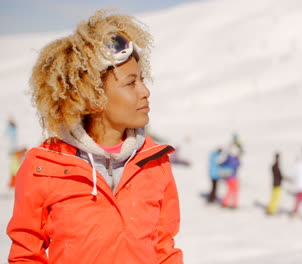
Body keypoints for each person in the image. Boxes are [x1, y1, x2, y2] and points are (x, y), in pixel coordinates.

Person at [7, 10, 183, 263]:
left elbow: (165, 248)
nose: (145, 91)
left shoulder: (155, 162)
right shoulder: (43, 167)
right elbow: (26, 254)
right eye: (130, 83)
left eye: (142, 80)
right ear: (93, 97)